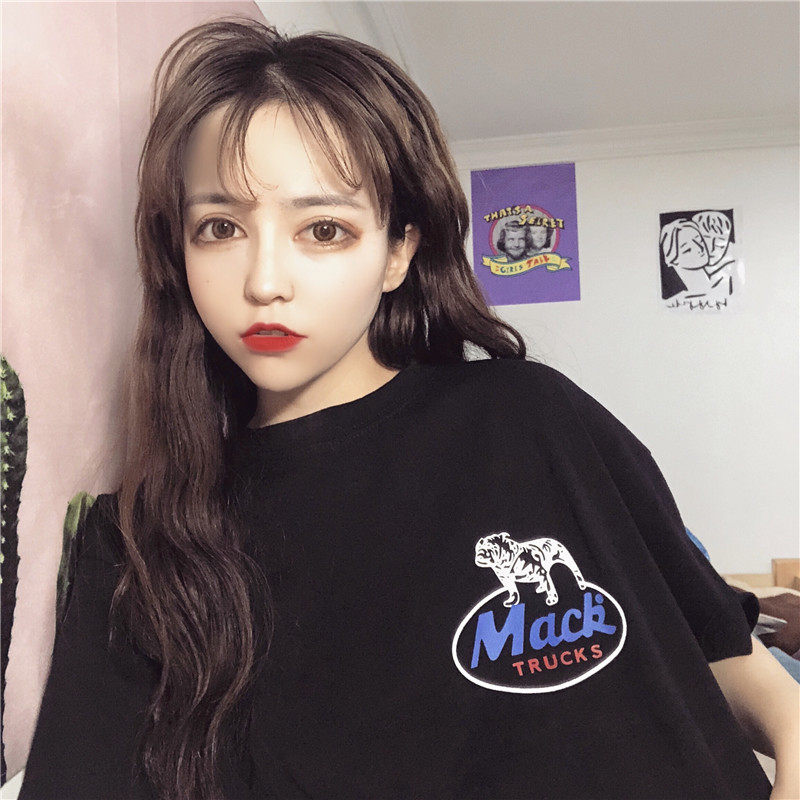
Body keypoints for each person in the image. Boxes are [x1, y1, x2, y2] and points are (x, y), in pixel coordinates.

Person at [18, 16, 799, 800]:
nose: (265, 281)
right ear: (179, 251)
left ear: (397, 251)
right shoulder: (139, 547)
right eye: (220, 228)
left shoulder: (533, 419)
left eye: (323, 229)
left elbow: (743, 674)